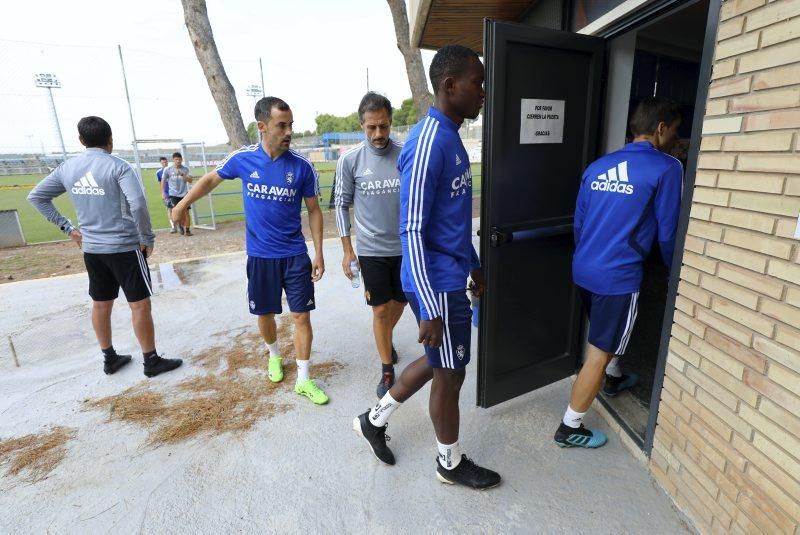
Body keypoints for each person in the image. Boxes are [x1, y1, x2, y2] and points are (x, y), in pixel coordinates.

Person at [352, 45, 501, 490]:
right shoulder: (429, 141)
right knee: (451, 374)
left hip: (450, 273)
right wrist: (431, 303)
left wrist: (472, 263)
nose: (483, 92)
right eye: (477, 82)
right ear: (449, 86)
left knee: (441, 363)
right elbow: (412, 230)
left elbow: (448, 221)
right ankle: (449, 464)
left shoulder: (451, 135)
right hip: (435, 283)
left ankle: (373, 420)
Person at [172, 96, 329, 405]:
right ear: (262, 126)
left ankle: (304, 379)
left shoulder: (302, 166)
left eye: (290, 125)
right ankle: (273, 355)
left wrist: (318, 252)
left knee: (301, 317)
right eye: (281, 125)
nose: (288, 132)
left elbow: (314, 210)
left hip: (295, 255)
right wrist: (182, 204)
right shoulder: (243, 159)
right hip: (260, 256)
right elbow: (210, 180)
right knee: (265, 314)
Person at [554, 97, 683, 448]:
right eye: (674, 131)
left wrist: (590, 254)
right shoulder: (668, 168)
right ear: (660, 129)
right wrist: (674, 274)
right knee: (600, 349)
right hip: (618, 276)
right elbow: (669, 232)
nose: (675, 138)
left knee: (604, 335)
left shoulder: (597, 166)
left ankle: (612, 377)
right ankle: (570, 427)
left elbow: (579, 223)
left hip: (585, 268)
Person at [27, 116, 183, 377]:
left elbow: (37, 197)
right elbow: (139, 205)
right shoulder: (119, 167)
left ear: (81, 140)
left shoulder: (68, 167)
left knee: (101, 304)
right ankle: (151, 361)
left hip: (92, 250)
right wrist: (147, 238)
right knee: (140, 304)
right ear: (110, 140)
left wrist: (69, 229)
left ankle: (109, 358)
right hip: (124, 247)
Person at [335, 92, 406, 398]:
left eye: (384, 127)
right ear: (361, 125)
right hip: (371, 250)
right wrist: (347, 249)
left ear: (391, 124)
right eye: (372, 128)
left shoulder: (405, 155)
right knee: (379, 310)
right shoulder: (350, 160)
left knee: (401, 302)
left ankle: (384, 337)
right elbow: (340, 204)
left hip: (405, 248)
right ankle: (387, 369)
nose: (379, 134)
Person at [162, 152, 193, 235]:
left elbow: (190, 181)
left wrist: (182, 174)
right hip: (173, 194)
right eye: (176, 159)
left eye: (179, 159)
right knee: (176, 212)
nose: (178, 161)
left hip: (184, 194)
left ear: (182, 160)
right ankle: (179, 225)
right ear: (173, 160)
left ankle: (187, 230)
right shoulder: (168, 169)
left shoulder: (185, 169)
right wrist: (163, 192)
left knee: (186, 212)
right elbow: (163, 181)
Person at [155, 156, 177, 234]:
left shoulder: (172, 170)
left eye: (165, 162)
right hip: (167, 194)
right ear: (161, 163)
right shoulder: (158, 172)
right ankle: (173, 227)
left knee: (178, 209)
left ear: (167, 162)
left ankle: (180, 225)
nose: (164, 163)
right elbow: (160, 183)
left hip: (175, 193)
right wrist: (162, 193)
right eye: (163, 162)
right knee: (169, 209)